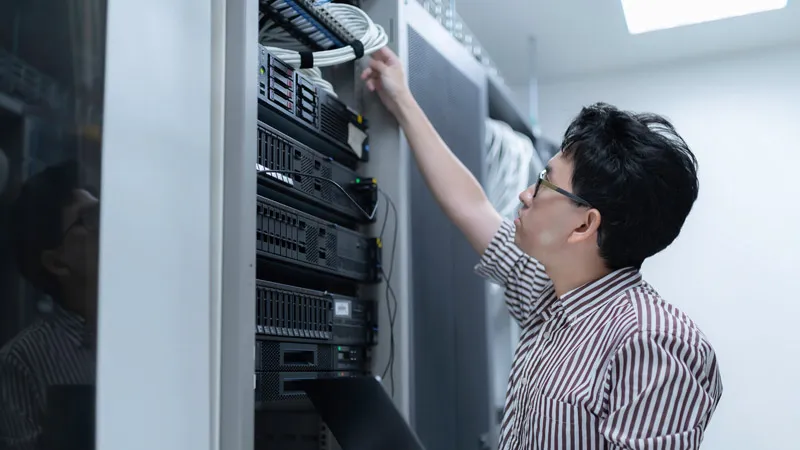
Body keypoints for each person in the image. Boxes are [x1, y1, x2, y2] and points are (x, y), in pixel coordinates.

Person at [362, 47, 723, 449]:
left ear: (585, 225)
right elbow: (471, 207)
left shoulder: (653, 342)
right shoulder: (548, 295)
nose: (524, 194)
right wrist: (401, 99)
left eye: (543, 183)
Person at [0, 161, 99, 450]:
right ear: (57, 262)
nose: (106, 226)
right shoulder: (21, 363)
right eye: (89, 219)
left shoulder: (154, 324)